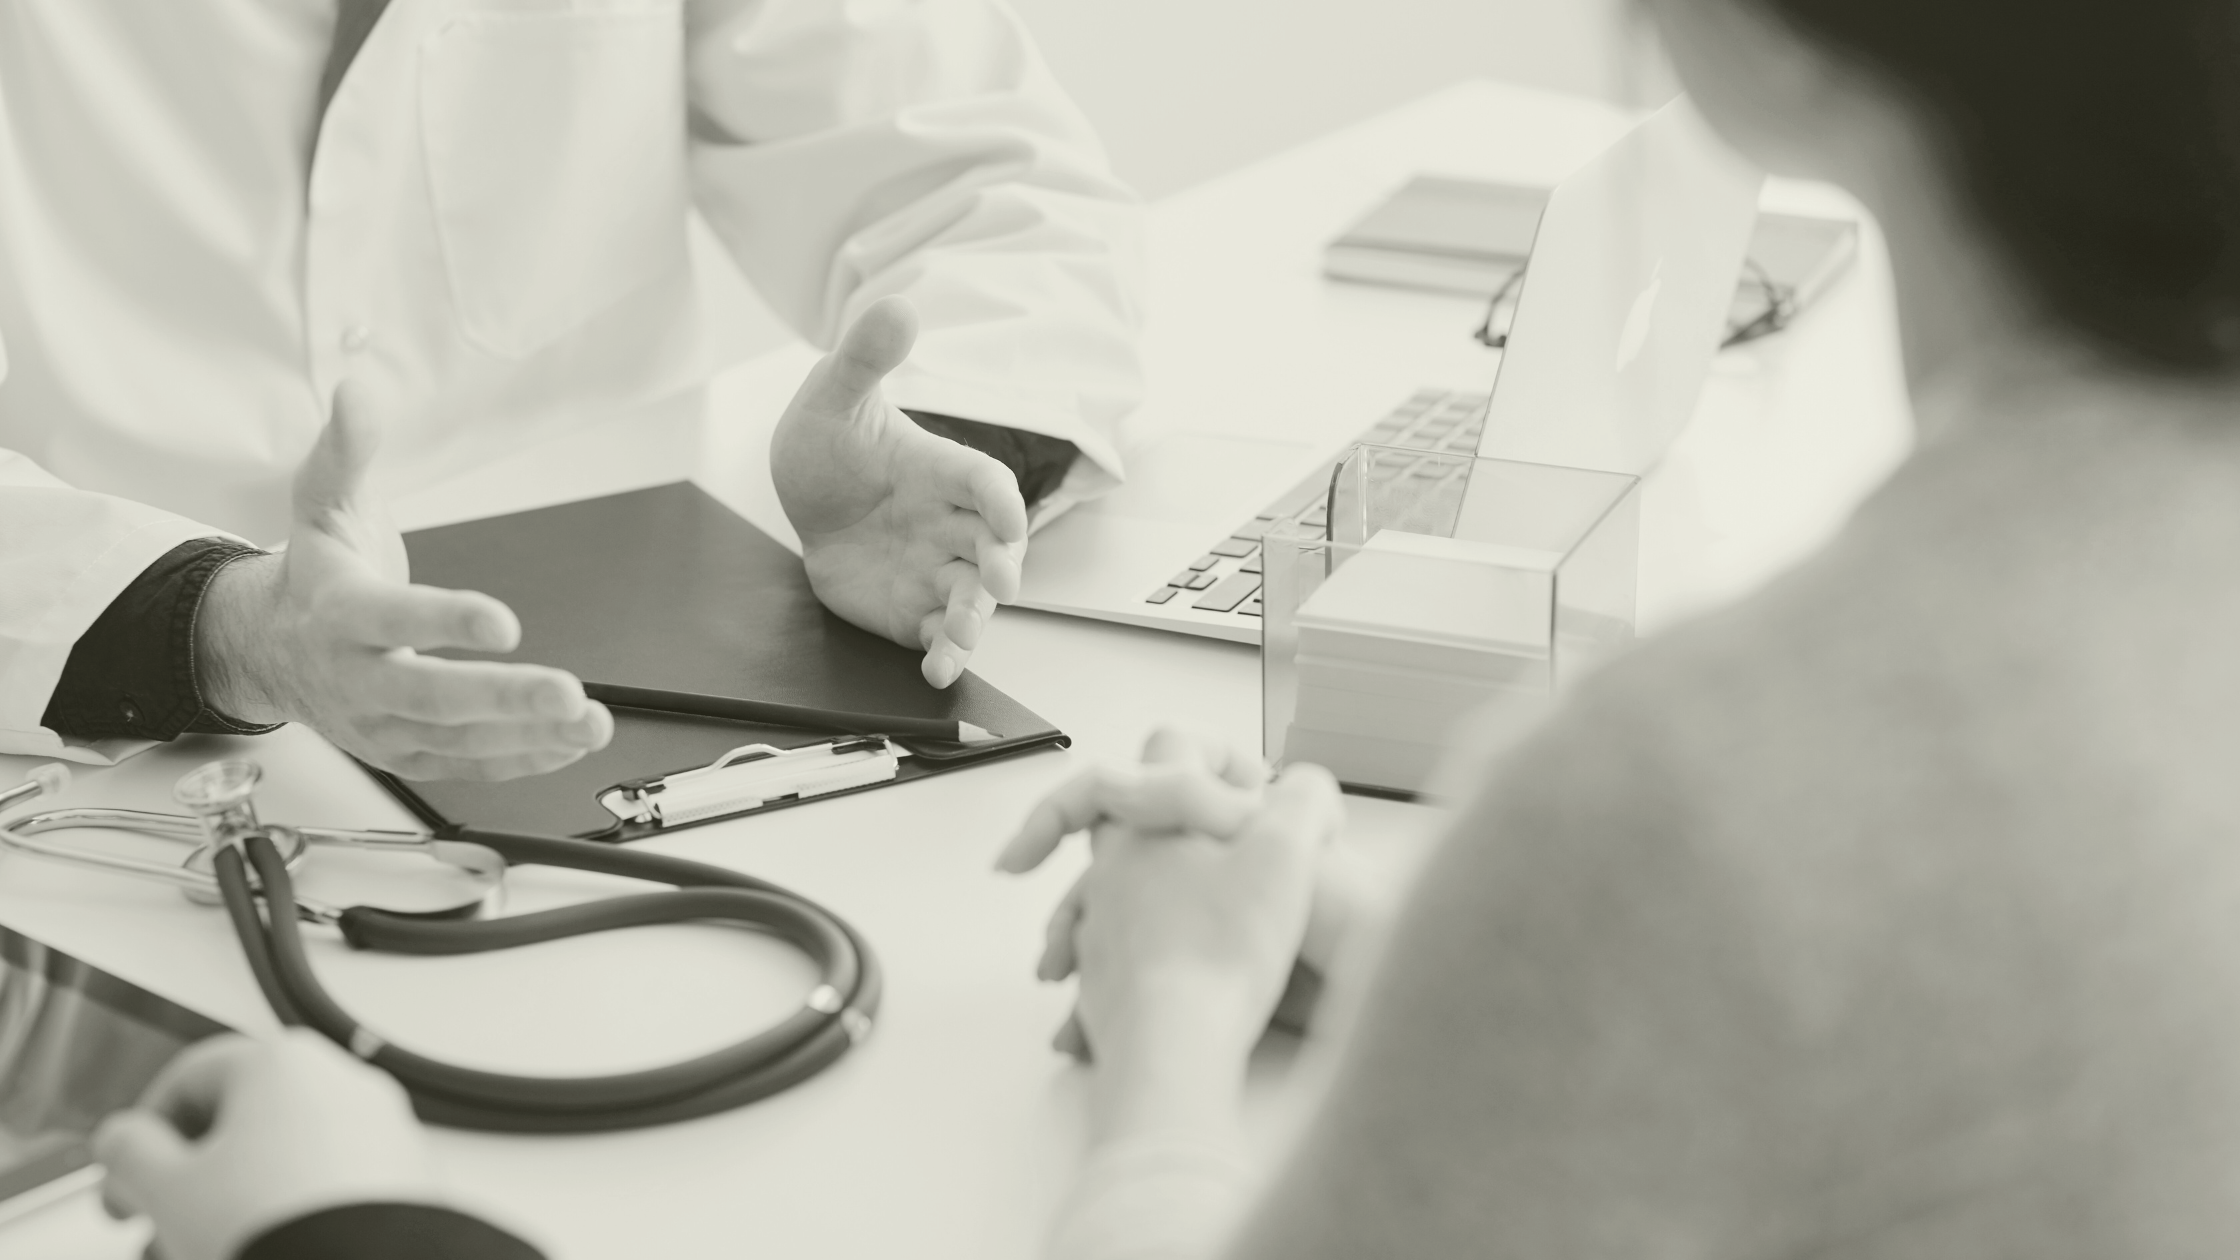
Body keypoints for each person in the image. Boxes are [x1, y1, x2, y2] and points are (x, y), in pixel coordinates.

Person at [90, 0, 2240, 1255]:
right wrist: (216, 619)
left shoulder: (1709, 804)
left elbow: (985, 177)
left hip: (536, 802)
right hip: (83, 759)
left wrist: (338, 1238)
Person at [1, 0, 1142, 781]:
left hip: (645, 695)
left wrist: (928, 444)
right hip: (100, 740)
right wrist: (221, 629)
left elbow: (985, 169)